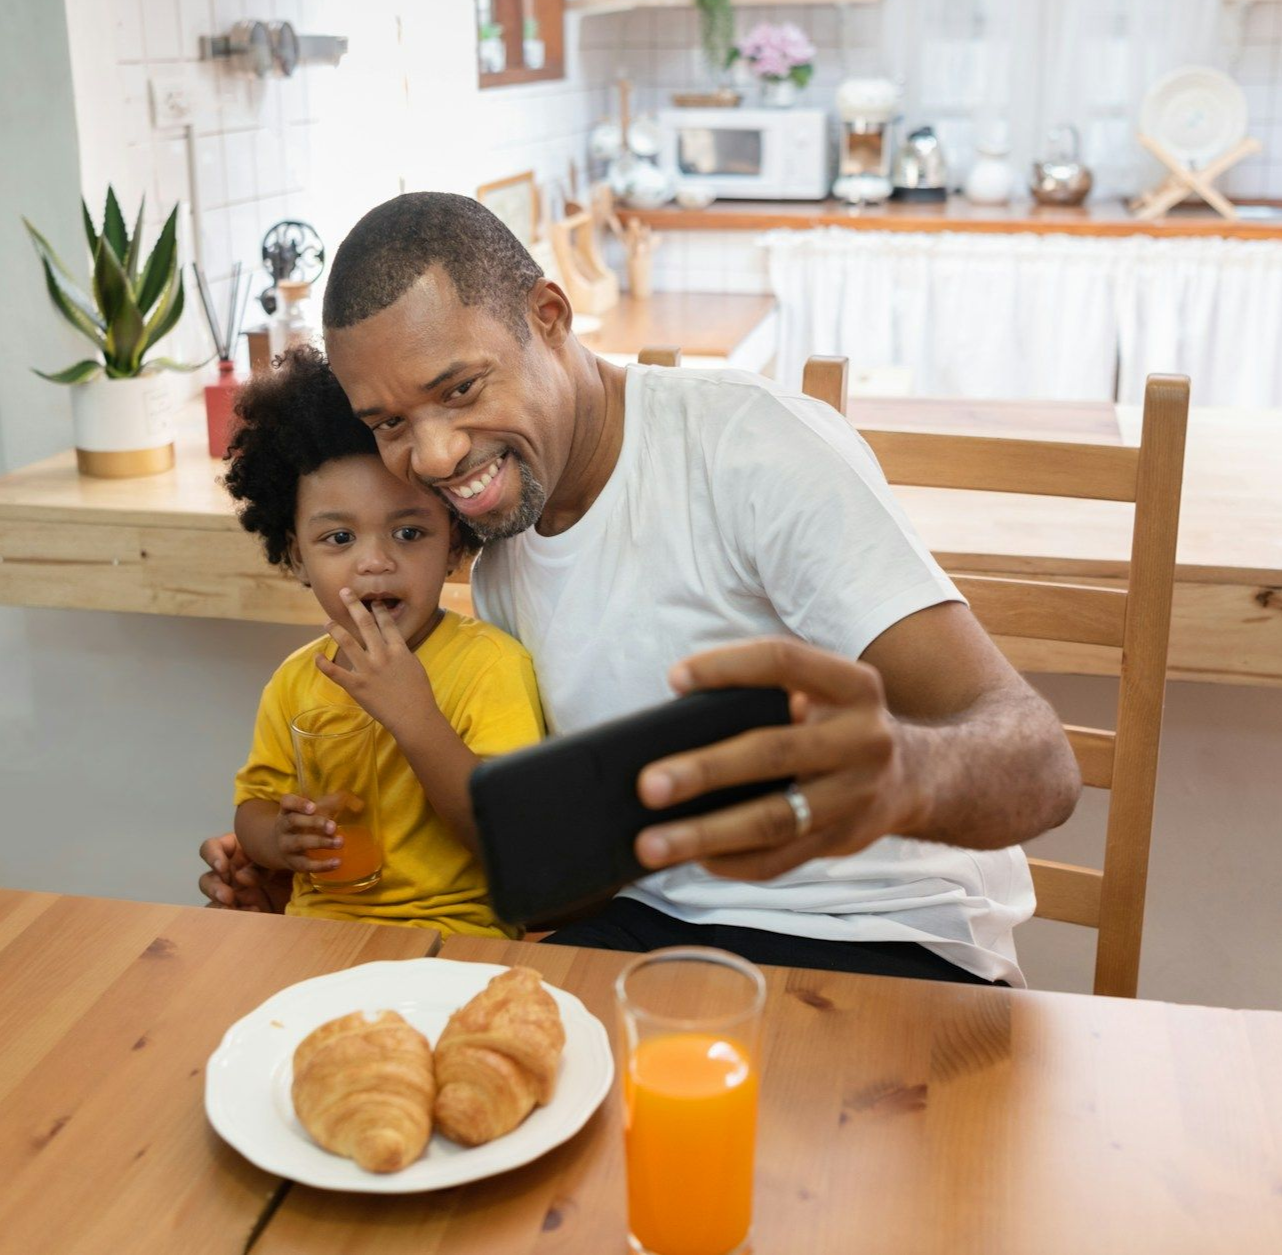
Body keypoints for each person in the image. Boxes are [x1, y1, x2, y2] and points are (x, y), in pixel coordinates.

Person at [203, 193, 1080, 986]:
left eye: (461, 389)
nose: (432, 458)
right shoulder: (506, 549)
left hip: (881, 943)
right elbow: (563, 878)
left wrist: (901, 775)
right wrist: (290, 879)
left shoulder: (746, 450)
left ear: (548, 316)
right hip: (648, 935)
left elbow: (1043, 766)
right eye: (390, 423)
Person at [203, 344, 543, 938]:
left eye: (409, 532)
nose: (375, 563)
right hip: (316, 932)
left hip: (457, 937)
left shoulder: (490, 666)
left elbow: (512, 840)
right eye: (338, 538)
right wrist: (280, 841)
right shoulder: (295, 681)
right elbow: (254, 806)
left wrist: (415, 717)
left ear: (456, 547)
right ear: (295, 555)